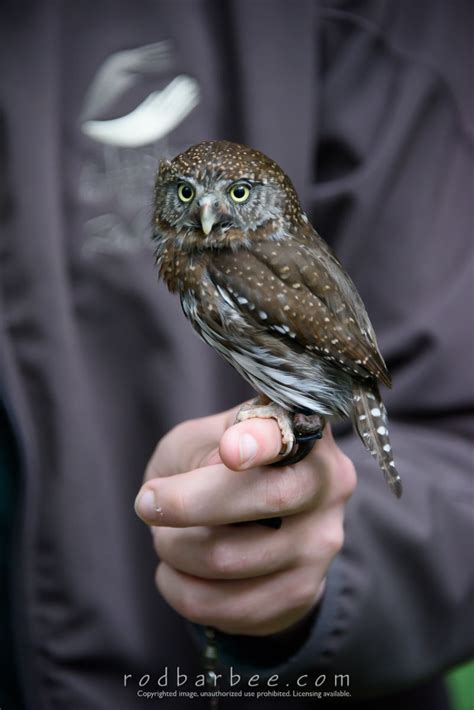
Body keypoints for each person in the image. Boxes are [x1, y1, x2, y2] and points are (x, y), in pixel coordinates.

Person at [0, 1, 472, 708]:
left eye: (238, 195)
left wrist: (306, 566)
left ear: (268, 198)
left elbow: (417, 401)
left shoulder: (247, 264)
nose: (212, 216)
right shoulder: (201, 261)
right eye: (188, 197)